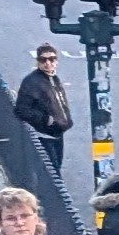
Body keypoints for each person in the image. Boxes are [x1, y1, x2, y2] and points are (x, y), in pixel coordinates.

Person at [12, 42, 73, 176]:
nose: (48, 63)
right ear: (38, 62)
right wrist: (46, 120)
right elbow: (21, 110)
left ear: (56, 61)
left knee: (56, 169)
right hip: (44, 135)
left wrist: (65, 120)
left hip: (57, 133)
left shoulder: (53, 78)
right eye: (43, 60)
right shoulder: (32, 82)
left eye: (52, 59)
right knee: (53, 173)